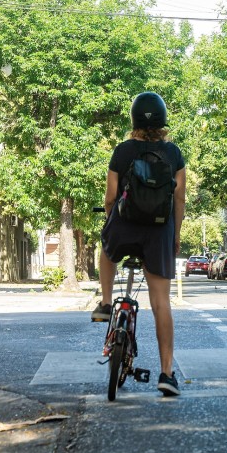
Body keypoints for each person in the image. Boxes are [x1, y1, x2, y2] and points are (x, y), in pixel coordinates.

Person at [91, 92, 186, 396]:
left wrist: (113, 221)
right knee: (161, 303)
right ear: (163, 122)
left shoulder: (122, 151)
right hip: (158, 232)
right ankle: (166, 374)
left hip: (125, 226)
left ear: (133, 120)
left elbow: (110, 198)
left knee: (106, 249)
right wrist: (175, 234)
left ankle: (106, 303)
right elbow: (179, 199)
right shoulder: (173, 154)